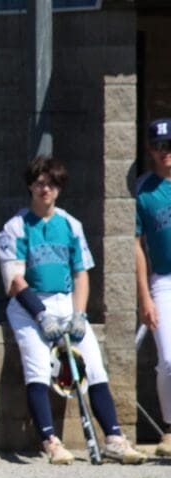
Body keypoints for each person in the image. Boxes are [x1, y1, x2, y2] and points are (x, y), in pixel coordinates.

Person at [0, 156, 144, 465]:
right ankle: (50, 442)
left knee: (95, 368)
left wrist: (79, 314)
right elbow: (14, 281)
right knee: (38, 370)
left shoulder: (70, 224)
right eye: (39, 183)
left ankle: (114, 439)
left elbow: (81, 274)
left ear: (59, 188)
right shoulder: (16, 227)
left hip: (67, 303)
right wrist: (40, 314)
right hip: (28, 307)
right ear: (30, 186)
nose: (45, 189)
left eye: (51, 184)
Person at [134, 117, 171, 457]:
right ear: (149, 149)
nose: (165, 152)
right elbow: (135, 244)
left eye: (169, 145)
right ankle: (170, 429)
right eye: (159, 146)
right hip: (164, 280)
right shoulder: (143, 190)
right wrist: (144, 295)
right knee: (169, 359)